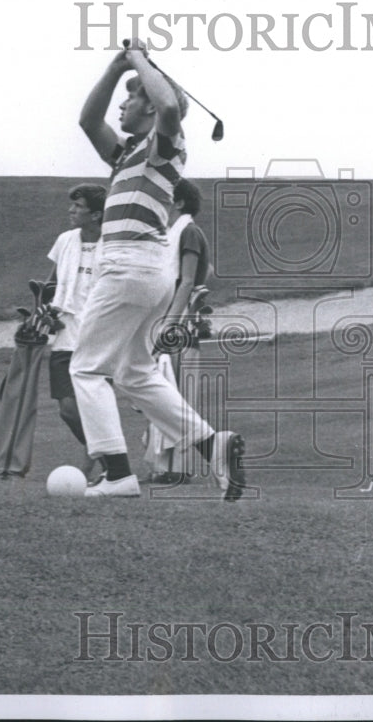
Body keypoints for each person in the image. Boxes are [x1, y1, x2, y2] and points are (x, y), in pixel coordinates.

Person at [70, 38, 245, 500]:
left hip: (128, 265)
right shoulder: (127, 153)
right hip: (146, 272)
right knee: (136, 373)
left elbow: (169, 104)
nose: (122, 105)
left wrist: (142, 62)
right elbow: (88, 120)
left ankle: (117, 473)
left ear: (147, 107)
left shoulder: (165, 144)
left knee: (87, 370)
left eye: (131, 97)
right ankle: (213, 446)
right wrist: (115, 68)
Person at [145, 177, 212, 483]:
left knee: (179, 394)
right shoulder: (175, 234)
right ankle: (164, 467)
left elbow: (187, 280)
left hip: (179, 322)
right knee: (164, 391)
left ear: (180, 202)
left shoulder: (188, 232)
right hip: (167, 319)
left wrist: (170, 322)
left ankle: (179, 469)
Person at [45, 183, 107, 483]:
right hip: (65, 336)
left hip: (98, 338)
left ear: (96, 215)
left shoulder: (113, 246)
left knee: (91, 408)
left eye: (78, 207)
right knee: (68, 410)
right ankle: (107, 457)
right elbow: (50, 285)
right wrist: (45, 314)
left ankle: (99, 468)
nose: (71, 211)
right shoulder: (65, 240)